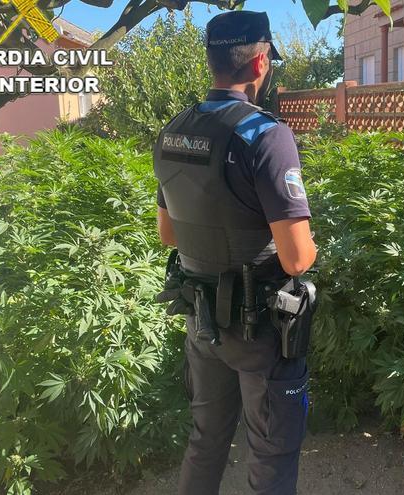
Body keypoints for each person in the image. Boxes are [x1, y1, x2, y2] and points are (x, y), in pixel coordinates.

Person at [152, 10, 317, 495]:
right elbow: (296, 259)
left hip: (202, 323)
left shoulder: (172, 132)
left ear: (212, 60)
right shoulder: (266, 136)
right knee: (271, 453)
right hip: (260, 328)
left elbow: (168, 234)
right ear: (261, 61)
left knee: (206, 441)